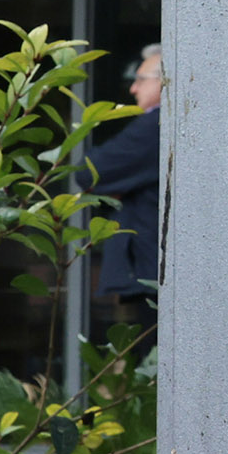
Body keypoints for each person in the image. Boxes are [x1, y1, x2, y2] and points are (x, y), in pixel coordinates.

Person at [87, 44, 163, 335]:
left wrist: (121, 185)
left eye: (140, 79)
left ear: (165, 80)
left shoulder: (157, 124)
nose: (133, 89)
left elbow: (89, 172)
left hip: (153, 271)